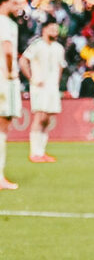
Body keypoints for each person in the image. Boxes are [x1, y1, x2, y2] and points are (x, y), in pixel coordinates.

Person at [20, 19, 66, 164]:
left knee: (47, 119)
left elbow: (60, 66)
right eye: (52, 29)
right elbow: (23, 61)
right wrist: (31, 78)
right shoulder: (37, 45)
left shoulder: (59, 48)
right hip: (39, 86)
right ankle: (34, 152)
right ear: (44, 29)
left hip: (52, 87)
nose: (55, 32)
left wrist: (57, 82)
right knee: (40, 117)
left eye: (56, 29)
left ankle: (41, 151)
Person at [0, 0, 25, 190]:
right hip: (4, 78)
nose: (18, 7)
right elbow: (8, 50)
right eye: (15, 3)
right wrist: (9, 72)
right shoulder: (4, 23)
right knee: (3, 124)